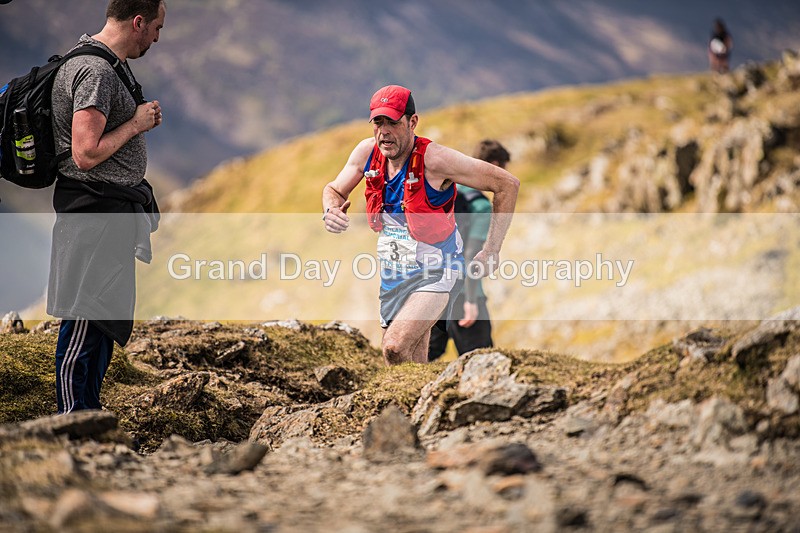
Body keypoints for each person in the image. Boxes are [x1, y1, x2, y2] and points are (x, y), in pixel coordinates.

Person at [322, 85, 519, 365]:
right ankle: (417, 407)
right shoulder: (367, 153)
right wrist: (330, 209)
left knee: (394, 347)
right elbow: (334, 189)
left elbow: (507, 184)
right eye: (378, 122)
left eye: (392, 122)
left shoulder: (435, 160)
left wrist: (492, 250)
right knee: (406, 362)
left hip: (437, 269)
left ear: (412, 122)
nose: (384, 131)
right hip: (393, 273)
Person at [47, 0, 166, 414]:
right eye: (156, 28)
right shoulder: (95, 71)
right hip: (91, 213)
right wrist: (137, 123)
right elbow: (85, 153)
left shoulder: (110, 65)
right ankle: (70, 417)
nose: (156, 38)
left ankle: (89, 412)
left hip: (109, 214)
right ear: (138, 22)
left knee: (101, 317)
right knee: (84, 313)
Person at [428, 139, 510, 361]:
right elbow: (473, 258)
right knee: (482, 359)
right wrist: (471, 301)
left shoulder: (450, 192)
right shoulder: (481, 207)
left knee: (425, 355)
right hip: (464, 292)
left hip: (432, 289)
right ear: (494, 165)